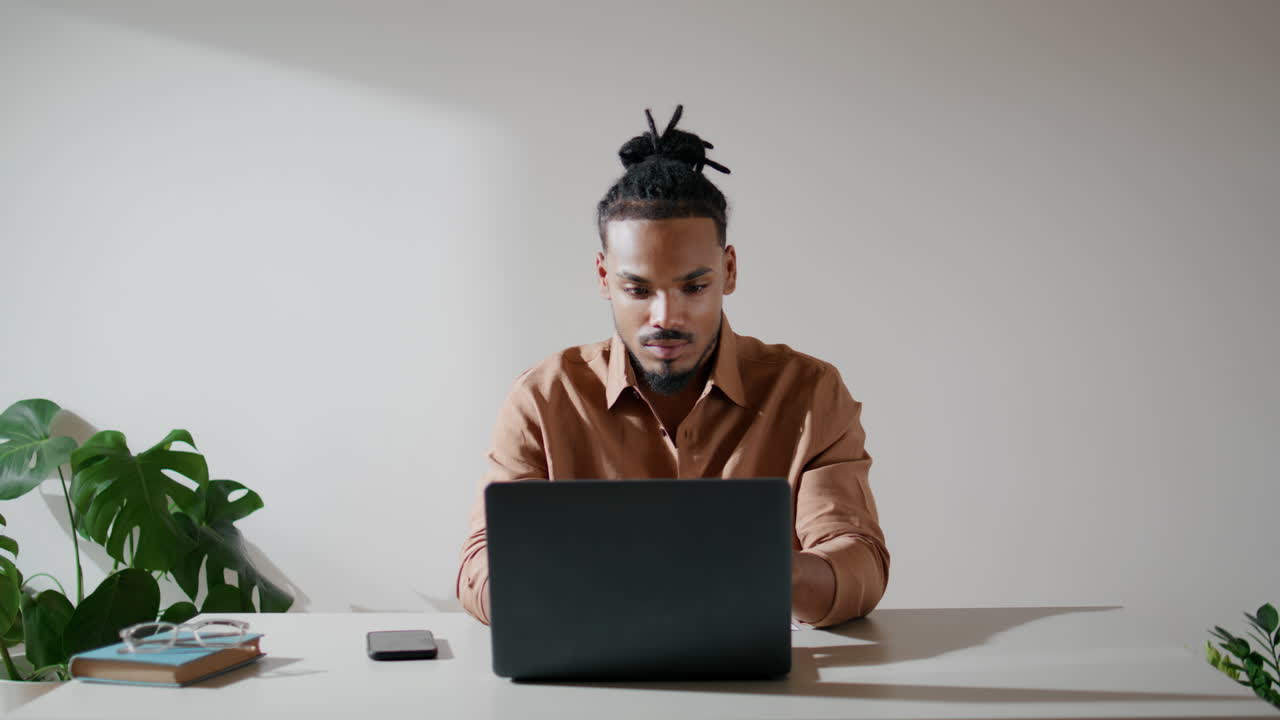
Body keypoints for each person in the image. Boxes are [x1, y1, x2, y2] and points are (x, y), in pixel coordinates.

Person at [457, 105, 888, 628]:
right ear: (603, 277)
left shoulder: (810, 391)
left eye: (694, 286)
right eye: (637, 289)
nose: (665, 317)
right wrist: (579, 581)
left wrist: (769, 572)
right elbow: (480, 566)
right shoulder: (543, 398)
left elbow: (859, 559)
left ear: (729, 271)